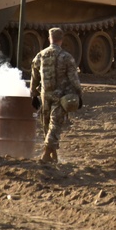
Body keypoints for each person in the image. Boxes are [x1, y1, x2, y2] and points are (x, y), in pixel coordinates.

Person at [30, 27, 83, 163]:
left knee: (46, 124)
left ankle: (53, 155)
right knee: (55, 124)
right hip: (60, 96)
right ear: (62, 40)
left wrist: (33, 95)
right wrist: (79, 94)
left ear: (49, 39)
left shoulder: (40, 55)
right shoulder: (66, 57)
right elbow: (74, 79)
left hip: (44, 94)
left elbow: (34, 77)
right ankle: (47, 153)